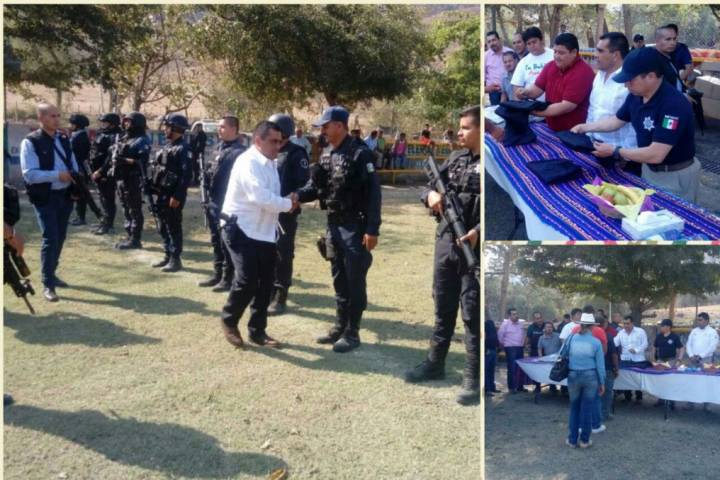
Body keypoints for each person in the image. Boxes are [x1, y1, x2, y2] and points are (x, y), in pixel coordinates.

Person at [404, 106, 480, 405]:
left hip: (475, 247)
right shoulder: (456, 158)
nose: (459, 132)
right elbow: (427, 186)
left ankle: (472, 377)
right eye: (459, 127)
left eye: (465, 128)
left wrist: (480, 230)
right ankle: (435, 363)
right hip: (446, 241)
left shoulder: (492, 164)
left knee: (471, 312)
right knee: (443, 305)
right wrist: (430, 196)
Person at [296, 106, 381, 353]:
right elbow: (315, 187)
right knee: (338, 278)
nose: (322, 130)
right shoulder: (327, 154)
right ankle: (340, 325)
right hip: (333, 224)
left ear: (340, 126)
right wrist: (296, 196)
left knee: (355, 280)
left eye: (326, 125)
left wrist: (372, 229)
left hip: (355, 226)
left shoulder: (360, 154)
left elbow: (374, 194)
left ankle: (353, 332)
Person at [571, 47, 700, 203]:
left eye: (630, 79)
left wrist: (615, 151)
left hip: (674, 175)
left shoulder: (673, 105)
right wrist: (585, 127)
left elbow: (656, 154)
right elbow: (616, 120)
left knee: (674, 215)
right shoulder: (636, 95)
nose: (626, 85)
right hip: (648, 169)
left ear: (651, 76)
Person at [219, 121, 297, 349]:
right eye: (273, 141)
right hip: (240, 228)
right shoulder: (248, 162)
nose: (278, 146)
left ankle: (257, 331)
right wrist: (288, 204)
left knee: (266, 284)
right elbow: (260, 197)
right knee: (247, 280)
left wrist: (286, 201)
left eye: (280, 142)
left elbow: (270, 197)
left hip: (264, 232)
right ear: (258, 141)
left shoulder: (271, 163)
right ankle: (229, 320)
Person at [20, 103, 80, 302]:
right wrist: (57, 175)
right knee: (50, 238)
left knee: (60, 237)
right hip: (45, 197)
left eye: (58, 115)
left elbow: (72, 163)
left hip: (65, 195)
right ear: (41, 118)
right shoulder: (31, 142)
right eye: (52, 116)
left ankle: (52, 273)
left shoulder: (63, 138)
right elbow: (30, 174)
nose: (57, 119)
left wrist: (75, 182)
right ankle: (48, 284)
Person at [266, 113, 310, 315]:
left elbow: (304, 183)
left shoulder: (296, 153)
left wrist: (293, 199)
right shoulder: (268, 151)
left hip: (285, 212)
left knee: (283, 253)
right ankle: (267, 289)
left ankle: (280, 295)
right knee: (267, 251)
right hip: (267, 210)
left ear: (283, 132)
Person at [197, 115, 246, 291]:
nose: (219, 129)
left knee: (227, 241)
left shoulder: (240, 152)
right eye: (219, 126)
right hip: (214, 201)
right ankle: (217, 273)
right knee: (216, 240)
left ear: (234, 129)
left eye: (223, 127)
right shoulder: (219, 148)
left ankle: (228, 278)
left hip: (228, 203)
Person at [520, 33, 594, 131]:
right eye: (555, 51)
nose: (556, 56)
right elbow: (536, 90)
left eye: (561, 53)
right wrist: (525, 92)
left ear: (574, 52)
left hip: (574, 132)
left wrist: (534, 112)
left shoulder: (583, 72)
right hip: (551, 127)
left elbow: (566, 106)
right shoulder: (550, 66)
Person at [148, 114, 192, 272]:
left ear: (176, 128)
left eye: (167, 127)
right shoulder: (168, 146)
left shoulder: (184, 148)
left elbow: (186, 176)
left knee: (173, 226)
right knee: (163, 226)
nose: (165, 130)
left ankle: (175, 259)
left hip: (173, 195)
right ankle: (168, 255)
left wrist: (177, 196)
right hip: (162, 192)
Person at [104, 112, 151, 250]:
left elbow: (141, 162)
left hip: (133, 179)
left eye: (129, 121)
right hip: (121, 178)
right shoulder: (126, 138)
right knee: (126, 208)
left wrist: (123, 160)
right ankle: (130, 234)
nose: (125, 124)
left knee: (134, 209)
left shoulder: (142, 140)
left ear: (136, 123)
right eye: (125, 121)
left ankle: (135, 239)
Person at [587, 33, 638, 159]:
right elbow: (593, 109)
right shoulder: (599, 76)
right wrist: (587, 137)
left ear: (615, 55)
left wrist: (624, 155)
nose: (595, 55)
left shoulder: (631, 81)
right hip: (595, 147)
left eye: (600, 51)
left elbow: (635, 122)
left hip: (620, 153)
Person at [565, 313, 606, 448]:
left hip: (573, 375)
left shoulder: (571, 339)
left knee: (574, 408)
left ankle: (572, 440)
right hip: (590, 376)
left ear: (580, 325)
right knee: (587, 409)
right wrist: (602, 382)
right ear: (592, 326)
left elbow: (562, 354)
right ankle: (584, 441)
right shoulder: (596, 342)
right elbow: (600, 365)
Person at [89, 113, 122, 235]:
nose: (102, 124)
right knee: (102, 198)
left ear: (112, 124)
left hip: (106, 173)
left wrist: (100, 171)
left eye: (105, 122)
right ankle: (104, 221)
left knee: (108, 199)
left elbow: (111, 157)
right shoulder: (102, 133)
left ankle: (108, 225)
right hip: (96, 171)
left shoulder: (116, 136)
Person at [685, 313, 718, 411]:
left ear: (707, 321)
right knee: (691, 381)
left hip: (706, 360)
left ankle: (706, 405)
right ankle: (690, 403)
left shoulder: (712, 332)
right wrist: (691, 355)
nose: (698, 322)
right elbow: (688, 344)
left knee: (706, 382)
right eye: (697, 320)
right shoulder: (694, 331)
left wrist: (701, 356)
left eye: (700, 320)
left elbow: (712, 347)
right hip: (693, 359)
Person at [511, 26, 554, 102]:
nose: (532, 46)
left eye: (534, 42)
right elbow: (516, 89)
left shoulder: (554, 55)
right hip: (531, 105)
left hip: (554, 103)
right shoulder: (523, 62)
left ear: (541, 40)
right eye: (529, 43)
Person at [614, 315, 649, 403]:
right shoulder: (621, 333)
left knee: (637, 379)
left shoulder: (640, 331)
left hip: (638, 359)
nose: (626, 325)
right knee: (625, 378)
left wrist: (636, 350)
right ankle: (627, 397)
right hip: (625, 359)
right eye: (624, 323)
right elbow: (615, 343)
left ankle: (639, 398)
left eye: (628, 323)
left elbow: (645, 344)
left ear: (632, 323)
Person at [653, 318, 684, 409]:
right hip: (660, 360)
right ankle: (661, 400)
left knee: (670, 381)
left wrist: (679, 360)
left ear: (668, 327)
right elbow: (654, 347)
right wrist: (653, 359)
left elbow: (682, 348)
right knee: (660, 380)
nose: (660, 327)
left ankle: (671, 401)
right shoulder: (659, 336)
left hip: (671, 360)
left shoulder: (674, 337)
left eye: (662, 326)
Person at [68, 114, 91, 226]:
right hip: (77, 167)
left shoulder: (79, 136)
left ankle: (81, 217)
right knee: (76, 193)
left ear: (77, 125)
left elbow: (78, 154)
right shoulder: (79, 135)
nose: (70, 125)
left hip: (78, 168)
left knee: (80, 194)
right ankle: (79, 216)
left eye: (72, 123)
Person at [497, 308, 526, 393]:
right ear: (509, 316)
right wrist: (503, 345)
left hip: (520, 347)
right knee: (512, 368)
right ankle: (512, 388)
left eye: (516, 314)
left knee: (520, 367)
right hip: (510, 348)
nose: (516, 316)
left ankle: (520, 386)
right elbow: (500, 335)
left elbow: (524, 333)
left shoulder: (521, 323)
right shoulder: (505, 324)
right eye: (513, 314)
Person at [598, 316, 619, 421]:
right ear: (604, 324)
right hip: (607, 368)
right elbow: (614, 354)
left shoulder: (588, 335)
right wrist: (616, 368)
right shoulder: (608, 336)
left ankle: (595, 413)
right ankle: (605, 414)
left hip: (592, 369)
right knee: (607, 392)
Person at [485, 30, 513, 106]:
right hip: (494, 92)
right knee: (496, 112)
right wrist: (487, 88)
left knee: (512, 111)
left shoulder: (510, 52)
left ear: (499, 39)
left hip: (510, 90)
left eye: (493, 40)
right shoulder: (486, 56)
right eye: (489, 41)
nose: (492, 43)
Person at [537, 321, 562, 394]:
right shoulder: (541, 338)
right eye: (547, 327)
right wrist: (541, 357)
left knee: (561, 375)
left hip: (559, 360)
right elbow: (539, 348)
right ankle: (552, 388)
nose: (549, 328)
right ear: (544, 328)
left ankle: (564, 389)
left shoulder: (558, 336)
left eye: (551, 327)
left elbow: (564, 345)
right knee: (550, 374)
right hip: (548, 360)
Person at [485, 315, 499, 396]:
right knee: (488, 371)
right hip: (489, 350)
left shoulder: (489, 324)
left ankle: (491, 388)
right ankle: (488, 389)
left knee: (490, 370)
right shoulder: (488, 325)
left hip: (491, 350)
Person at [189, 122, 207, 186]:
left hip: (199, 154)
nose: (198, 128)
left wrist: (197, 152)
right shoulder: (196, 134)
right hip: (195, 153)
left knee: (199, 167)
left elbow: (200, 145)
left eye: (199, 127)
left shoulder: (202, 135)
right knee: (195, 168)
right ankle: (195, 180)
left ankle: (198, 181)